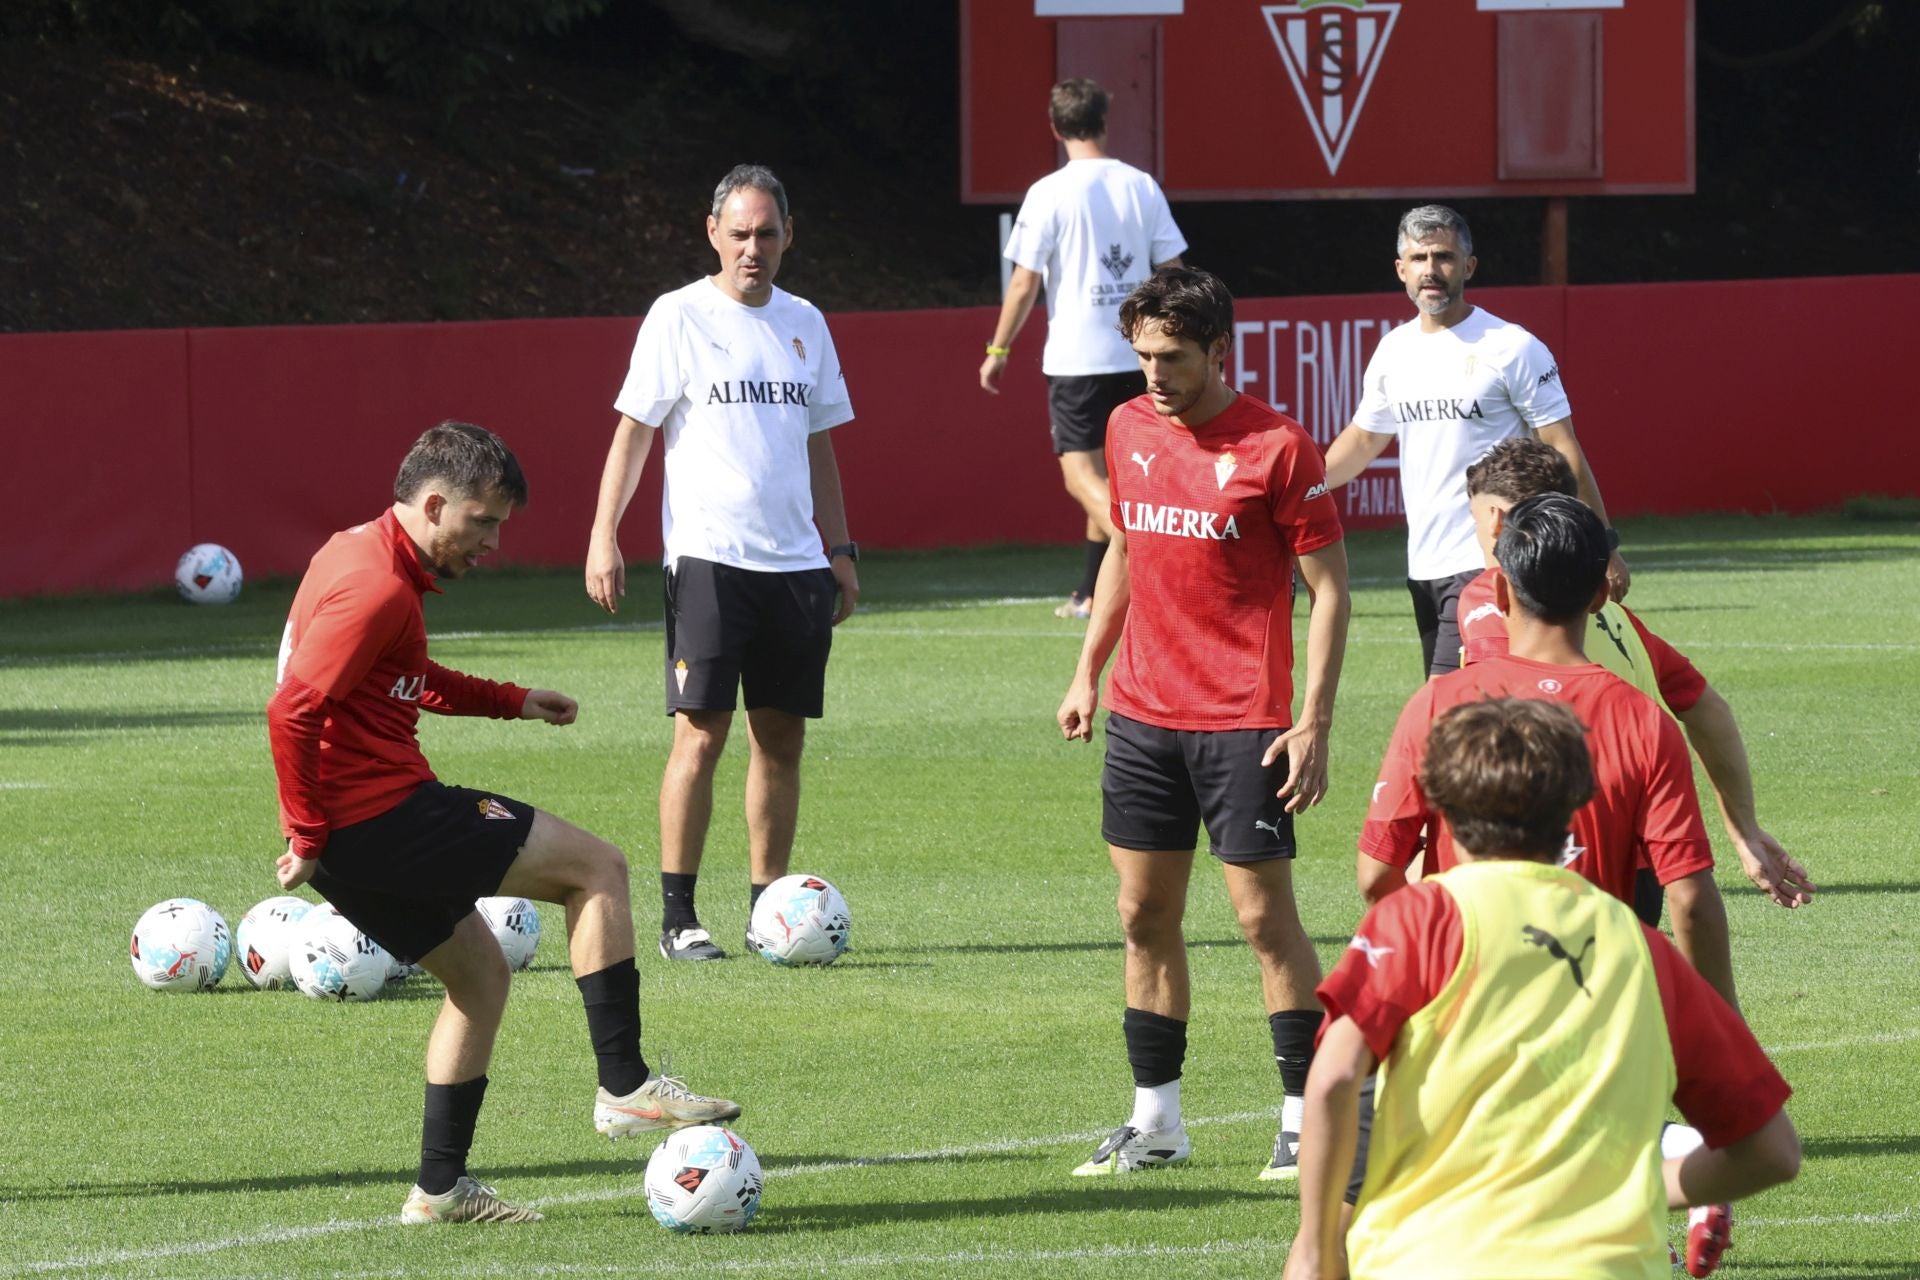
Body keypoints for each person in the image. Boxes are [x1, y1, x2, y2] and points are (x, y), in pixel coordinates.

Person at [268, 422, 740, 1226]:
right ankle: (625, 1086)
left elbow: (402, 680)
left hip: (355, 842)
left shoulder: (355, 550)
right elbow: (292, 708)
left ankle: (441, 1190)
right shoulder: (376, 585)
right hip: (385, 817)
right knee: (598, 869)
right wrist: (306, 831)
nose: (490, 542)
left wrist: (511, 700)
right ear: (435, 502)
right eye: (483, 522)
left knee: (480, 977)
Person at [1283, 698, 1799, 1280]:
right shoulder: (1641, 947)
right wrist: (1627, 1191)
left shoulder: (1419, 920)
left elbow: (1331, 1079)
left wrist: (1316, 1247)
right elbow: (1772, 1152)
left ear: (1443, 807)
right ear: (1577, 805)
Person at [1056, 267, 1350, 1180]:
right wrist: (1086, 672)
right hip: (1144, 719)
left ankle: (1304, 1118)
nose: (1153, 373)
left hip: (1243, 723)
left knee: (1265, 924)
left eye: (1173, 357)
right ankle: (1157, 1124)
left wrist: (1313, 723)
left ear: (1219, 350)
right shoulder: (1126, 425)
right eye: (1142, 354)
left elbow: (1332, 590)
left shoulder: (1279, 446)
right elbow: (1124, 556)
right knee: (1143, 915)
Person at [585, 164, 859, 962]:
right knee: (699, 737)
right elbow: (634, 433)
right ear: (712, 233)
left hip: (798, 568)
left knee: (781, 740)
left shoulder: (806, 321)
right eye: (738, 234)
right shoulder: (678, 316)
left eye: (766, 234)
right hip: (709, 558)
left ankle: (768, 912)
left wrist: (839, 550)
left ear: (788, 237)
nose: (752, 249)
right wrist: (605, 533)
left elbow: (820, 445)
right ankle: (678, 916)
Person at [1358, 492, 1737, 1008]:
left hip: (1464, 1011)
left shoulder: (1436, 706)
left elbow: (1378, 875)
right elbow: (1690, 899)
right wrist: (1719, 1024)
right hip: (1595, 1019)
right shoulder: (1647, 723)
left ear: (1499, 589)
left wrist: (1436, 960)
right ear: (1601, 596)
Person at [1459, 437, 1816, 914]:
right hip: (1643, 864)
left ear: (1498, 522)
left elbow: (1490, 716)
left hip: (1556, 856)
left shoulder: (1488, 598)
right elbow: (1708, 709)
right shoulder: (1613, 617)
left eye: (1476, 520)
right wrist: (1743, 829)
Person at [1320, 203, 1627, 678]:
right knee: (1479, 710)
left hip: (1494, 559)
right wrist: (1304, 489)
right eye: (1419, 259)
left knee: (1448, 709)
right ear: (1401, 270)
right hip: (1424, 565)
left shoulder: (1511, 346)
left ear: (1469, 265)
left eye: (1443, 256)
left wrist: (1602, 546)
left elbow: (1563, 447)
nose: (1431, 271)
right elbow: (1363, 440)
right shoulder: (1393, 350)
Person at [980, 76, 1187, 620]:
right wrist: (1172, 341)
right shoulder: (1139, 185)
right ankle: (1091, 590)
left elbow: (1023, 283)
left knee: (1081, 478)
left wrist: (997, 352)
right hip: (1138, 357)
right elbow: (1173, 272)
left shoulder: (1048, 192)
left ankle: (1151, 548)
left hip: (1076, 360)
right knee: (1113, 479)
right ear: (1104, 120)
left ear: (1055, 126)